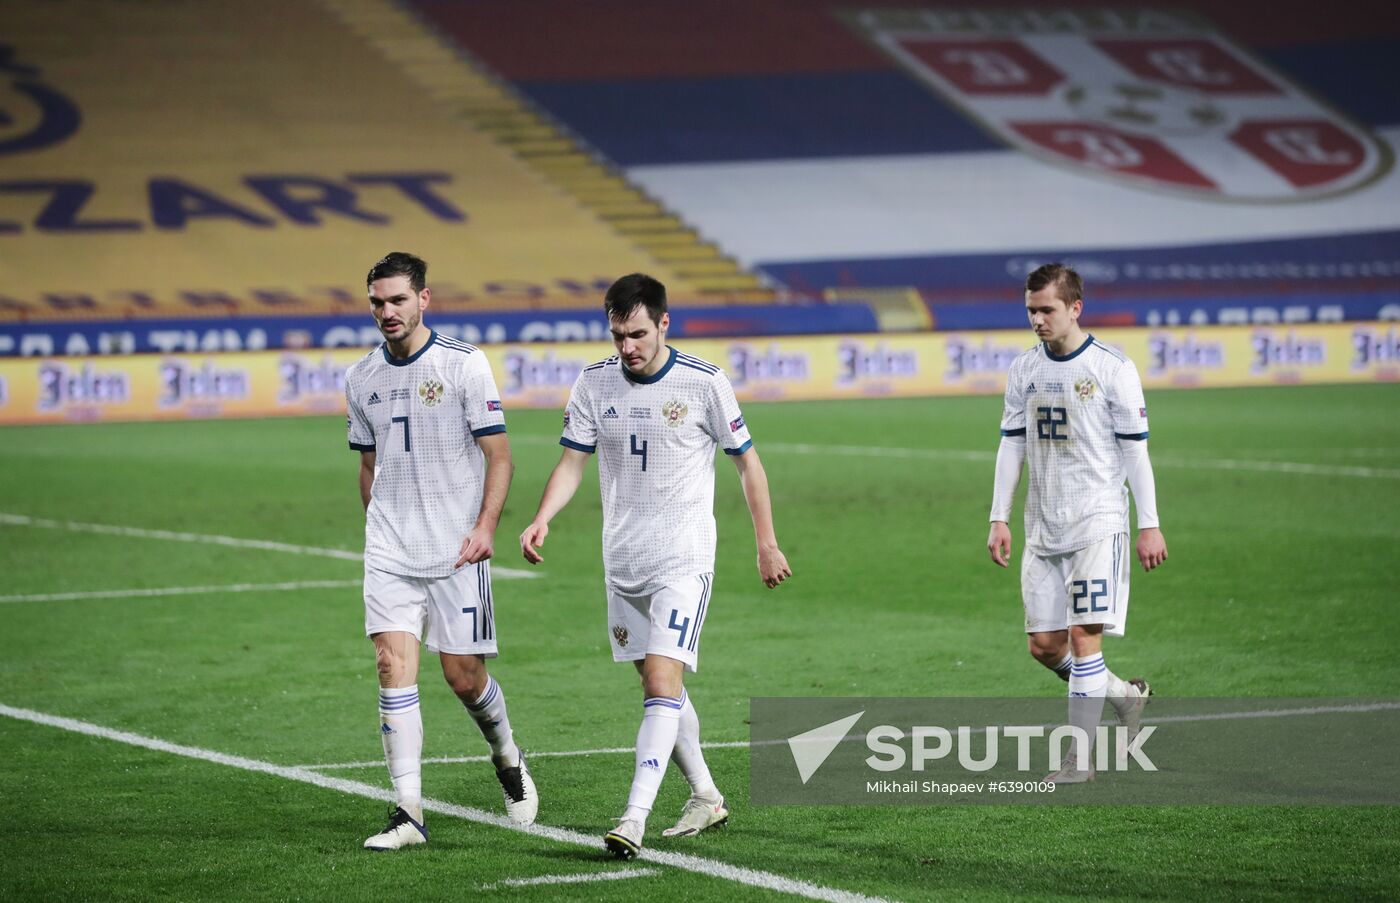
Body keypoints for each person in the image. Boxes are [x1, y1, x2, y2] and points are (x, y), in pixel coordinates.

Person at [519, 273, 791, 858]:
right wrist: (543, 516)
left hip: (683, 557)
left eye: (638, 333)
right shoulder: (593, 383)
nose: (627, 347)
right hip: (622, 559)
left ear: (664, 323)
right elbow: (572, 462)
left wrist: (765, 543)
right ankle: (706, 796)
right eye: (618, 335)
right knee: (655, 683)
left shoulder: (704, 382)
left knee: (663, 683)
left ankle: (634, 817)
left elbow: (748, 465)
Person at [344, 252, 537, 850]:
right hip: (391, 550)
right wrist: (378, 528)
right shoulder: (360, 378)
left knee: (463, 677)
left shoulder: (463, 365)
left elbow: (499, 455)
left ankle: (507, 756)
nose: (387, 312)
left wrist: (486, 527)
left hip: (457, 548)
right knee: (390, 667)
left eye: (398, 299)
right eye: (378, 302)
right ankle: (408, 812)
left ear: (424, 298)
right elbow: (368, 463)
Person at [986, 263, 1168, 783]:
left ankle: (1078, 761)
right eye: (1031, 310)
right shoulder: (1024, 370)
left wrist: (1148, 523)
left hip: (1098, 522)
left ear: (1075, 308)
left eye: (1047, 310)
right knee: (1044, 646)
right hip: (1043, 526)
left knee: (1084, 638)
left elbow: (1136, 454)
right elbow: (1011, 444)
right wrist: (999, 515)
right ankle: (1126, 699)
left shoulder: (1113, 368)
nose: (1037, 320)